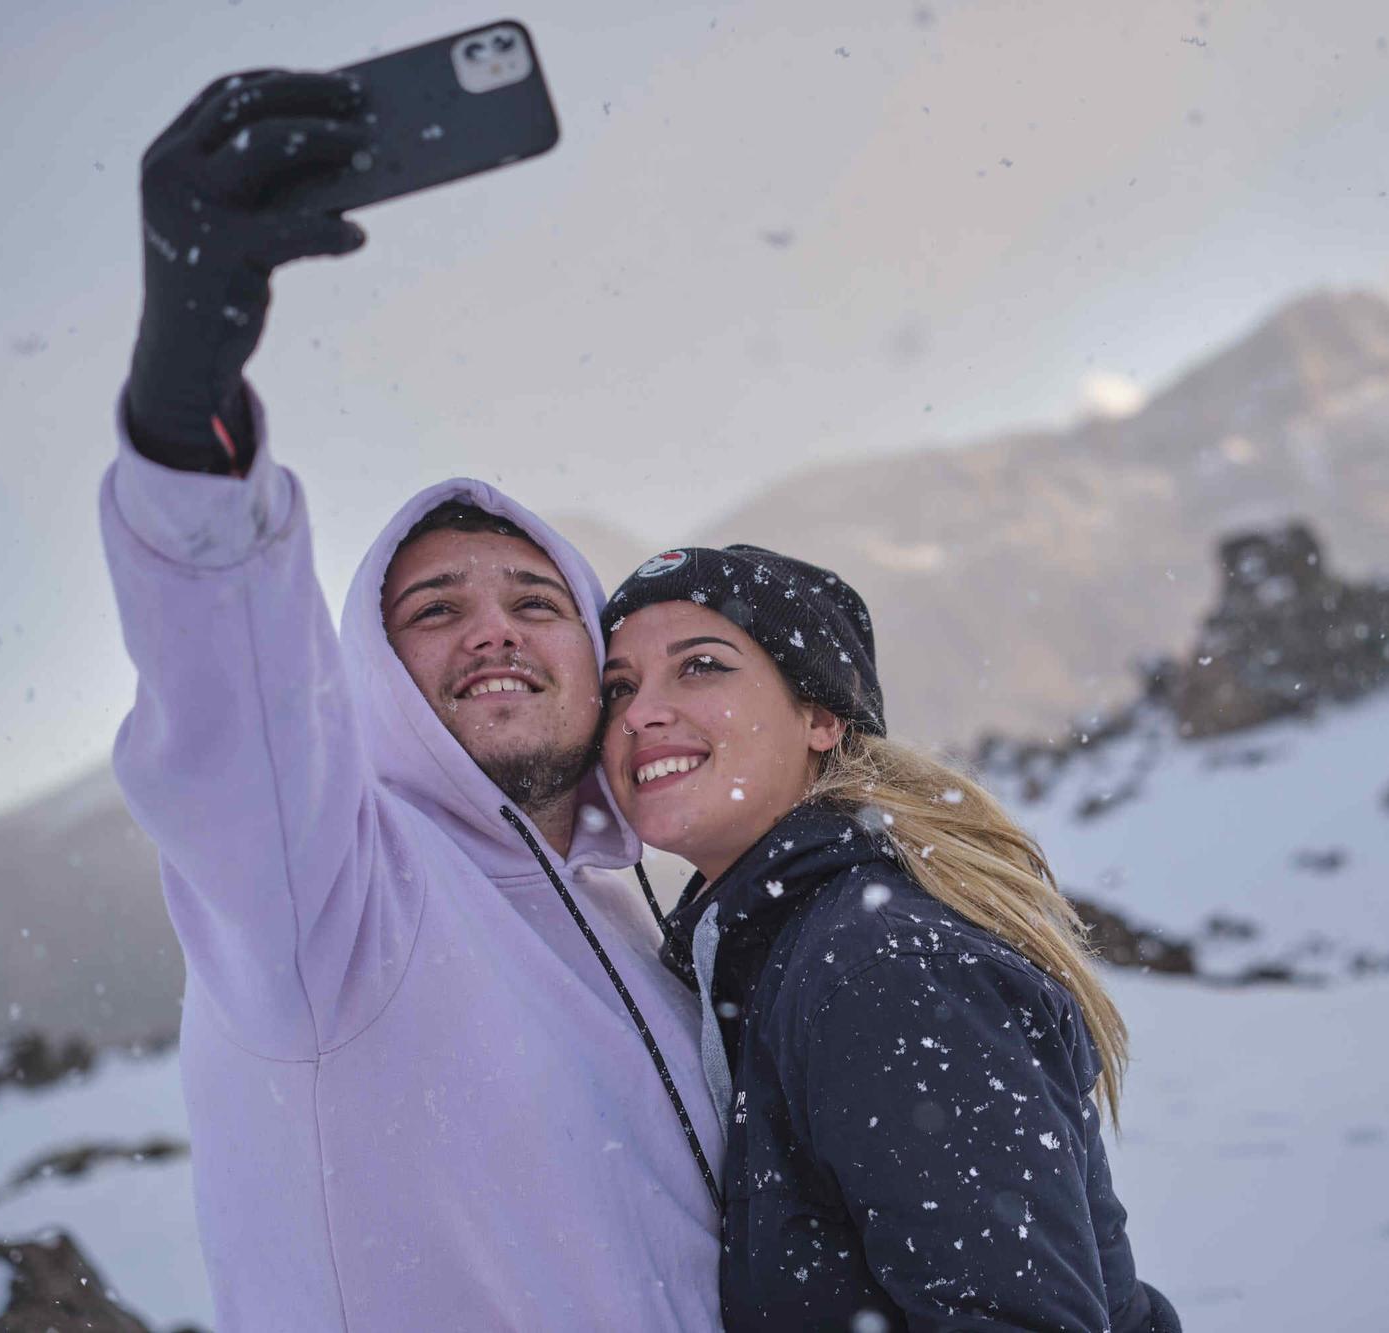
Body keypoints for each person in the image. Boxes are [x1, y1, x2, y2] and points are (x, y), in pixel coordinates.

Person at [103, 71, 724, 1329]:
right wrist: (186, 418)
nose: (491, 626)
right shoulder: (329, 903)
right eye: (432, 609)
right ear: (368, 679)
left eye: (537, 603)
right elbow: (236, 708)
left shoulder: (642, 939)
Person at [597, 546, 1183, 1332]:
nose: (639, 713)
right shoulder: (766, 950)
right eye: (618, 688)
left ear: (820, 715)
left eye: (700, 665)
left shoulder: (884, 967)